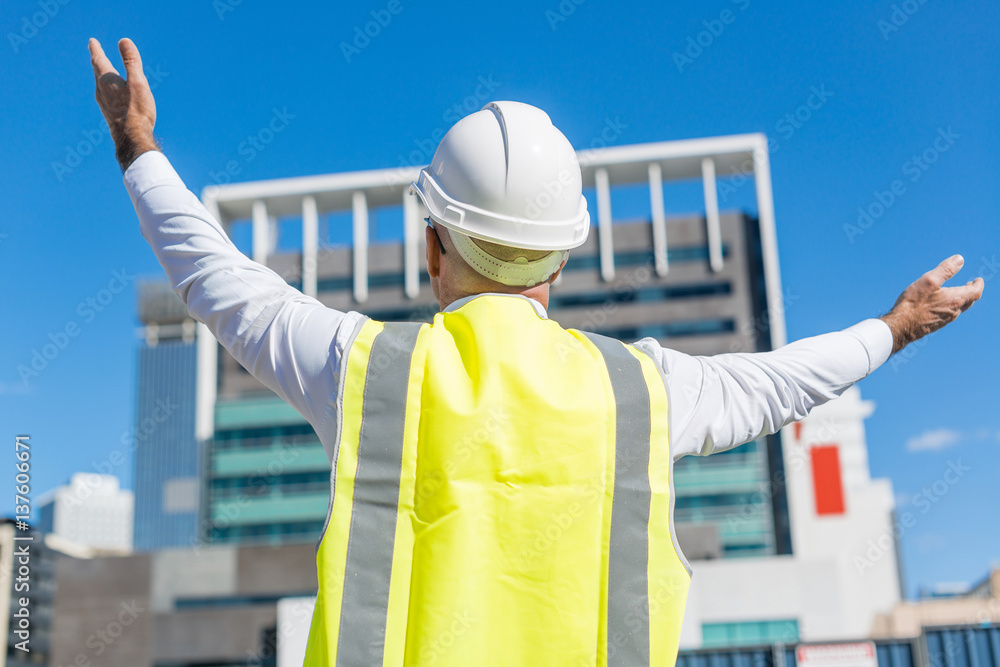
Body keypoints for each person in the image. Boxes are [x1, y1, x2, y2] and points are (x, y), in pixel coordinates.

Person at [90, 38, 983, 666]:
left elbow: (222, 284)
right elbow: (778, 384)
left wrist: (138, 143)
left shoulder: (367, 371)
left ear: (433, 246)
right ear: (561, 257)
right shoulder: (641, 390)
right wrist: (892, 328)